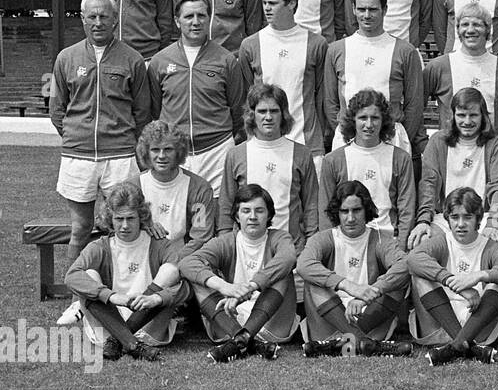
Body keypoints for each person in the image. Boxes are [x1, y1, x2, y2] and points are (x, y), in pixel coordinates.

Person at [51, 0, 152, 261]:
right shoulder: (66, 58)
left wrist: (122, 138)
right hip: (78, 156)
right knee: (81, 228)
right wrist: (76, 134)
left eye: (104, 16)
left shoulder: (132, 59)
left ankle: (122, 289)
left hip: (119, 156)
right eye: (92, 16)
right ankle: (77, 295)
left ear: (115, 20)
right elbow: (57, 110)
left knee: (123, 226)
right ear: (83, 20)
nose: (98, 22)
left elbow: (142, 112)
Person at [64, 182, 187, 361]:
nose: (124, 226)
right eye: (118, 219)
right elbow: (71, 277)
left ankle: (121, 339)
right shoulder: (100, 246)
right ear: (110, 219)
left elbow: (185, 285)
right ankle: (132, 345)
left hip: (148, 325)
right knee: (88, 275)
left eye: (131, 218)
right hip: (106, 325)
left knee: (171, 271)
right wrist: (111, 296)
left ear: (142, 217)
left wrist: (156, 298)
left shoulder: (159, 244)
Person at [181, 183, 298, 363]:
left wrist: (248, 288)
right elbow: (187, 263)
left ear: (269, 215)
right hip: (230, 318)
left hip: (271, 321)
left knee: (284, 272)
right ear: (236, 215)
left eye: (259, 210)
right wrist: (225, 287)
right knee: (198, 280)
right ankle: (243, 339)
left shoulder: (279, 237)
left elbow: (289, 257)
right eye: (246, 211)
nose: (252, 216)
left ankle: (243, 338)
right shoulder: (225, 242)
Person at [297, 181, 414, 357]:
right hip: (329, 319)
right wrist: (348, 285)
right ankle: (364, 343)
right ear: (337, 212)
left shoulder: (380, 239)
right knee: (313, 280)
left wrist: (369, 293)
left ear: (366, 210)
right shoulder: (323, 239)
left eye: (356, 210)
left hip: (367, 317)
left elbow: (404, 266)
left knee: (398, 282)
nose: (350, 218)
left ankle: (343, 345)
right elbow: (303, 264)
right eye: (345, 211)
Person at [410, 187, 498, 362]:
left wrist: (479, 276)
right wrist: (452, 282)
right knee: (418, 275)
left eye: (467, 217)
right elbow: (413, 259)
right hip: (439, 325)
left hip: (477, 328)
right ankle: (464, 344)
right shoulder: (443, 241)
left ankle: (457, 345)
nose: (461, 224)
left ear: (478, 219)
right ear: (448, 219)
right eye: (455, 217)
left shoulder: (489, 246)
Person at [149, 0, 246, 196]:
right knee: (177, 215)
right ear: (177, 21)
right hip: (175, 150)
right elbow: (156, 108)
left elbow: (238, 108)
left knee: (216, 213)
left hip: (216, 149)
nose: (195, 22)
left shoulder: (226, 60)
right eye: (188, 16)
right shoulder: (160, 61)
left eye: (201, 16)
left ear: (209, 19)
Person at [325, 0, 425, 157]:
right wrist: (347, 131)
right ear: (354, 10)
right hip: (347, 140)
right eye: (361, 9)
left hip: (391, 140)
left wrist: (391, 133)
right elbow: (330, 101)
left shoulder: (405, 51)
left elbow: (414, 103)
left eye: (373, 9)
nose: (366, 15)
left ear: (384, 10)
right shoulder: (336, 50)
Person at [238, 0, 330, 169]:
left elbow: (323, 94)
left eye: (273, 3)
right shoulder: (250, 45)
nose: (267, 8)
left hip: (307, 144)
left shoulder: (316, 44)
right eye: (264, 3)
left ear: (291, 3)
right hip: (263, 144)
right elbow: (247, 97)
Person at [219, 83, 317, 254]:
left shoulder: (301, 154)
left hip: (291, 251)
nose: (268, 117)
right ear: (252, 115)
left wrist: (310, 247)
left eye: (274, 111)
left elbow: (311, 205)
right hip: (245, 251)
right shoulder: (236, 154)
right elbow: (226, 205)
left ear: (283, 114)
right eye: (262, 111)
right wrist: (227, 246)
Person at [411, 87, 498, 249]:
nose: (467, 121)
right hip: (446, 217)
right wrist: (423, 220)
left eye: (474, 115)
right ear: (453, 116)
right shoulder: (437, 141)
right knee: (422, 240)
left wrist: (493, 223)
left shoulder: (495, 143)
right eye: (462, 115)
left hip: (482, 217)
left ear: (483, 116)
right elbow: (428, 184)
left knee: (494, 243)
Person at [318, 89, 416, 244]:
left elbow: (407, 209)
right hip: (347, 242)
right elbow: (326, 212)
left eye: (375, 118)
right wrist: (331, 247)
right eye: (363, 118)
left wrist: (401, 246)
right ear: (353, 120)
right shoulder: (333, 160)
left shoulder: (401, 158)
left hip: (388, 241)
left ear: (384, 121)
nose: (369, 124)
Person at [422, 1, 498, 132]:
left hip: (490, 148)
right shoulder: (437, 67)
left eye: (477, 24)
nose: (470, 30)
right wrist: (422, 142)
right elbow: (416, 107)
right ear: (458, 29)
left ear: (488, 29)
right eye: (465, 24)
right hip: (450, 147)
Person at [135, 120, 215, 259]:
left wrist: (172, 261)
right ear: (146, 152)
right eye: (155, 150)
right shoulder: (133, 187)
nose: (161, 156)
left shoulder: (199, 188)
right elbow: (118, 226)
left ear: (179, 151)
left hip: (183, 258)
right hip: (141, 257)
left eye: (168, 149)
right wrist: (142, 224)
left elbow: (200, 237)